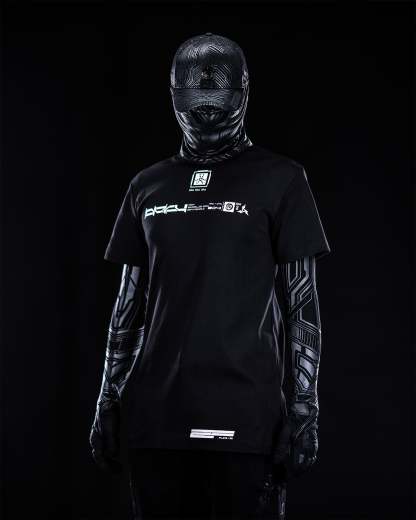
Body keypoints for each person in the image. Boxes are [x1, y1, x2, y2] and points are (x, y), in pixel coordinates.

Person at [90, 33, 331, 519]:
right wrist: (107, 401)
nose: (206, 114)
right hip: (157, 420)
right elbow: (127, 307)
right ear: (173, 95)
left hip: (245, 418)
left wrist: (305, 408)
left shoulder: (281, 179)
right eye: (194, 102)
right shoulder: (147, 185)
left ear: (244, 92)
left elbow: (300, 302)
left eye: (217, 100)